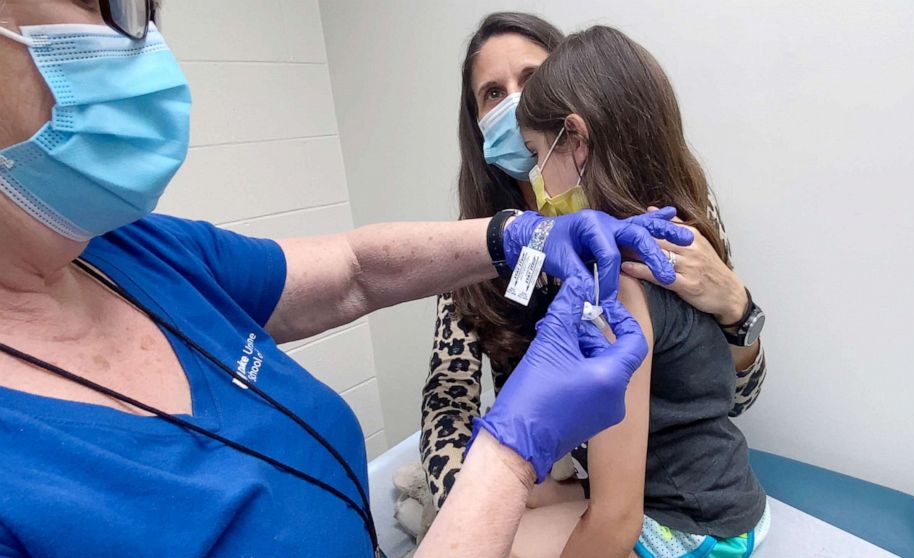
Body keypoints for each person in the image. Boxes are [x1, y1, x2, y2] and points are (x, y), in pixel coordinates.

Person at [0, 2, 689, 557]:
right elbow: (447, 405)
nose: (138, 39)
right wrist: (509, 465)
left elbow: (356, 270)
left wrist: (519, 235)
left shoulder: (136, 254)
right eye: (97, 2)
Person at [421, 11, 769, 514]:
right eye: (492, 93)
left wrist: (738, 309)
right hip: (538, 476)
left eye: (532, 79)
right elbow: (447, 401)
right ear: (475, 124)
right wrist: (481, 510)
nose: (515, 103)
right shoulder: (478, 246)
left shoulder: (660, 218)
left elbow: (731, 397)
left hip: (654, 495)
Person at [508, 25, 770, 558]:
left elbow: (615, 521)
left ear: (575, 141)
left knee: (502, 541)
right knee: (529, 499)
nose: (535, 176)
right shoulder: (672, 236)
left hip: (695, 531)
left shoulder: (620, 282)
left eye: (537, 153)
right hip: (727, 498)